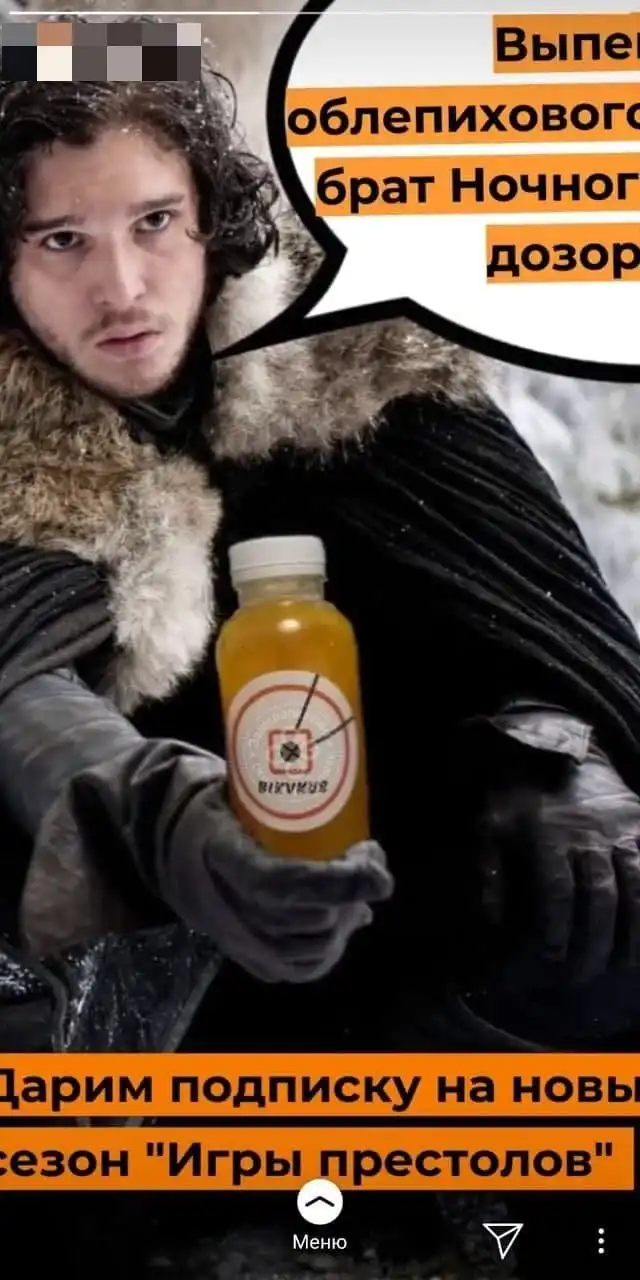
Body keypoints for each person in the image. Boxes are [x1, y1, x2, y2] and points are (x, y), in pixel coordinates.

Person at [1, 38, 640, 1072]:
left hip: (409, 916)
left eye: (153, 223)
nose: (122, 287)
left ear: (209, 214)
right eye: (63, 240)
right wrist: (167, 823)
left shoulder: (368, 361)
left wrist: (553, 739)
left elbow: (525, 607)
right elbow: (22, 699)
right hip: (150, 962)